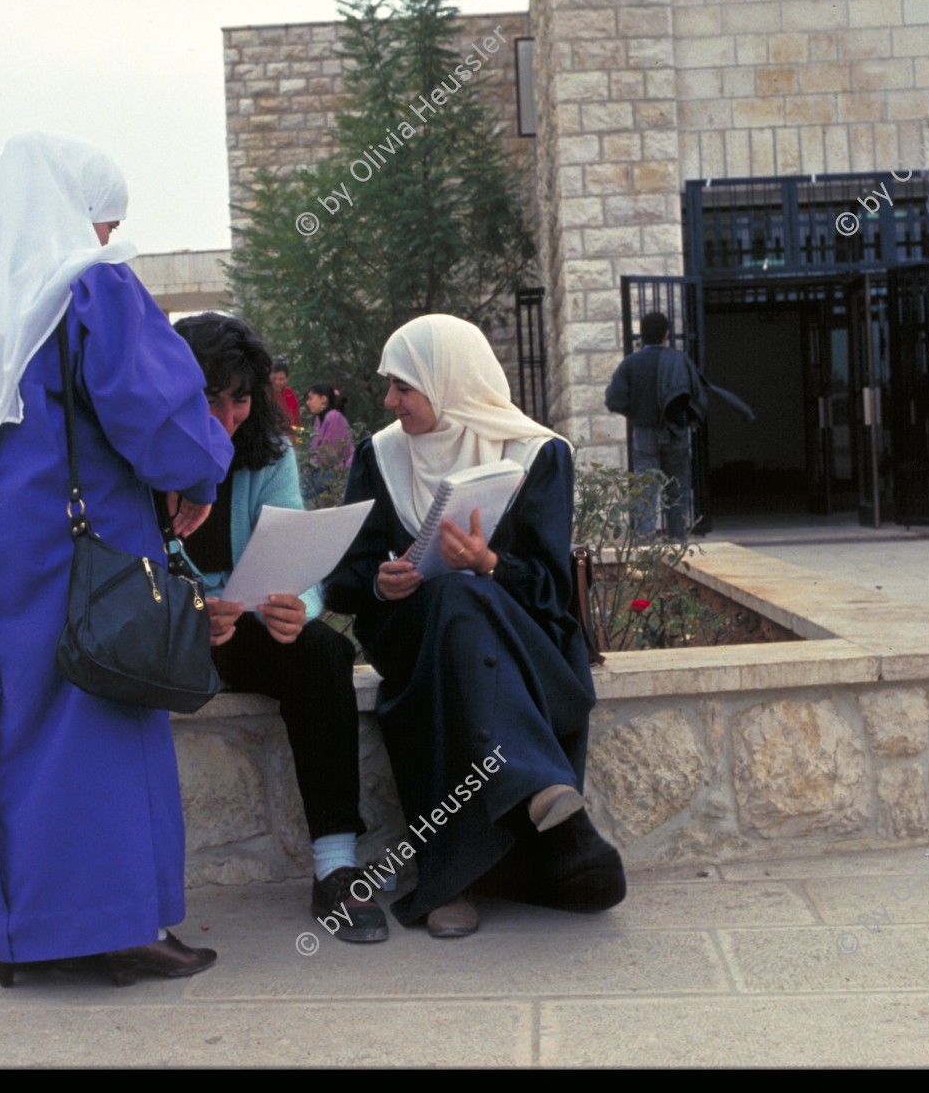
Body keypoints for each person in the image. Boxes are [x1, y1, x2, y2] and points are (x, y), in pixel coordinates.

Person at [0, 133, 235, 988]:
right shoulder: (88, 290)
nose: (106, 240)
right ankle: (121, 930)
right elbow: (156, 409)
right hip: (93, 555)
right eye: (104, 221)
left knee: (3, 731)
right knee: (101, 721)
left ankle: (19, 934)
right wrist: (196, 475)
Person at [323, 314, 626, 938]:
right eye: (390, 386)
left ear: (448, 381)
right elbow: (343, 582)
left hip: (522, 641)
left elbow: (549, 593)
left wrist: (489, 563)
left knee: (462, 601)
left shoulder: (537, 453)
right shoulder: (379, 457)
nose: (389, 401)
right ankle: (541, 788)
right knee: (454, 605)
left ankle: (449, 885)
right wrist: (381, 581)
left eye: (404, 386)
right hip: (409, 636)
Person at [171, 315, 383, 944]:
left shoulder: (268, 452)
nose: (227, 416)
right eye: (211, 398)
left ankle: (336, 867)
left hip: (243, 630)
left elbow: (291, 551)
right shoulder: (138, 454)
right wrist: (189, 614)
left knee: (322, 650)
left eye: (240, 399)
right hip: (165, 636)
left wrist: (300, 606)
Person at [604, 310, 755, 540]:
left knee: (645, 493)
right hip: (676, 434)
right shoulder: (679, 360)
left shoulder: (630, 364)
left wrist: (635, 413)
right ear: (667, 335)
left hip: (644, 435)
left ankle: (645, 546)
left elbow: (613, 400)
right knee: (677, 492)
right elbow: (697, 397)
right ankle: (677, 542)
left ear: (642, 336)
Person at [302, 382, 352, 501]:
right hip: (323, 467)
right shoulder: (319, 419)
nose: (307, 403)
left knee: (303, 494)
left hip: (337, 469)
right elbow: (314, 448)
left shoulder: (334, 417)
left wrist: (311, 467)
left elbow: (330, 452)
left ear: (323, 399)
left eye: (310, 398)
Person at [272, 357, 302, 432]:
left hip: (289, 436)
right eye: (274, 378)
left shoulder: (290, 393)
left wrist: (297, 440)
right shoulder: (266, 393)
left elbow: (296, 418)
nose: (277, 382)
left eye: (281, 379)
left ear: (287, 378)